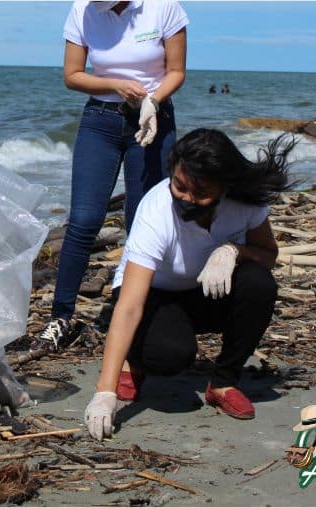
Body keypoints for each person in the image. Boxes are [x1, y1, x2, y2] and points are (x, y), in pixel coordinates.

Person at [83, 128, 295, 440]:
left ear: (225, 188)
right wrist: (105, 392)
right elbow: (129, 307)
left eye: (201, 192)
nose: (187, 198)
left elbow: (268, 255)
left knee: (258, 283)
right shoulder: (157, 211)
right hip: (151, 295)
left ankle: (223, 382)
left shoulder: (245, 204)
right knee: (169, 356)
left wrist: (233, 251)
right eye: (179, 186)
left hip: (202, 291)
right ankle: (135, 359)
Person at [36, 0, 188, 350]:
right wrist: (115, 85)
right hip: (100, 122)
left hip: (154, 121)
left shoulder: (164, 7)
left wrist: (154, 100)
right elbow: (72, 75)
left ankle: (136, 312)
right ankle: (60, 317)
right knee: (84, 220)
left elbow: (176, 71)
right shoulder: (83, 9)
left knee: (142, 221)